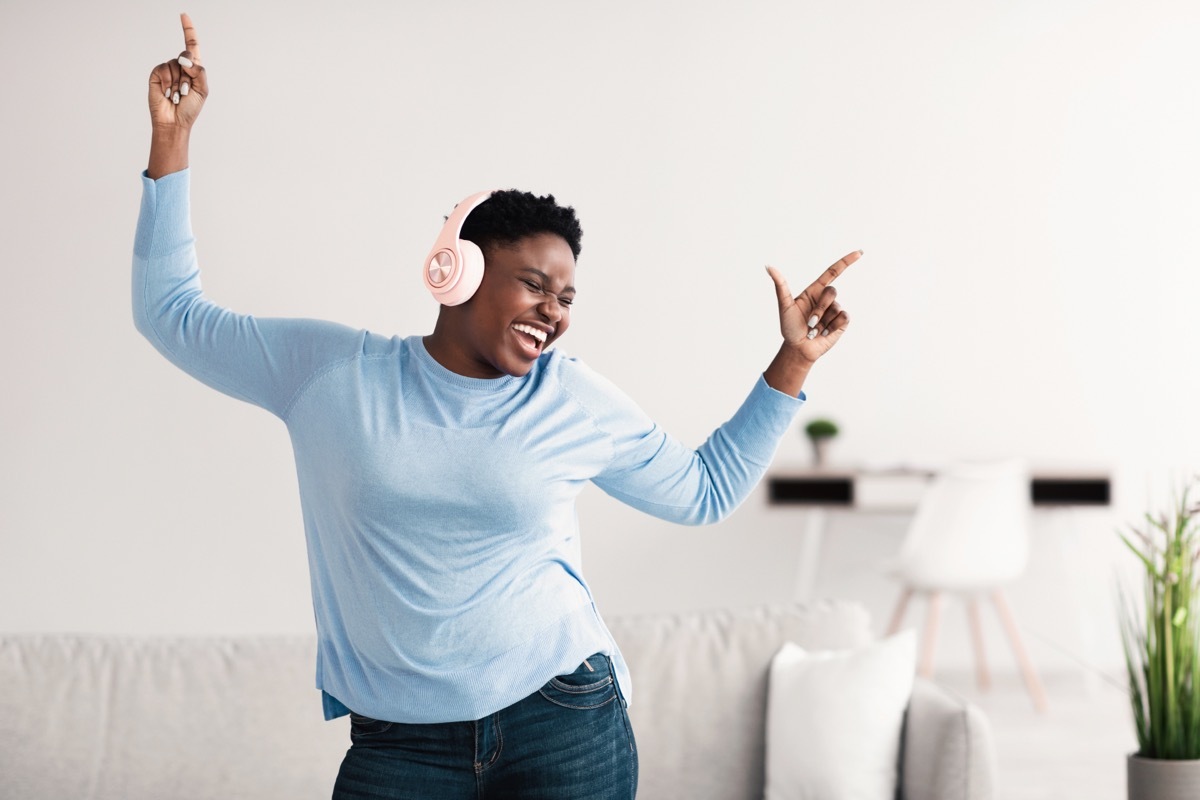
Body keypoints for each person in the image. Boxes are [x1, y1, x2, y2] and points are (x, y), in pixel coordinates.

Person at [136, 13, 859, 800]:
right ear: (455, 270)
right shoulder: (332, 374)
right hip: (398, 746)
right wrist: (172, 140)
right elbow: (170, 315)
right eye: (535, 285)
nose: (554, 311)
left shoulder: (569, 396)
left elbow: (704, 492)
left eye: (567, 297)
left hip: (563, 720)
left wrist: (793, 360)